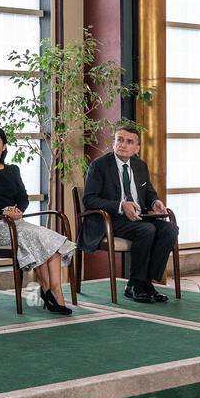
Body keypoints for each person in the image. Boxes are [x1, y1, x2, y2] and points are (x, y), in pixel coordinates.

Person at [0, 126, 76, 315]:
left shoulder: (12, 170)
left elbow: (23, 198)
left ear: (4, 146)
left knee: (53, 238)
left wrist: (17, 211)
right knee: (36, 237)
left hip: (16, 224)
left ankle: (54, 290)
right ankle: (49, 291)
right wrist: (4, 212)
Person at [80, 124, 178, 304]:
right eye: (120, 140)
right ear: (114, 142)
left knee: (170, 229)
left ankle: (145, 282)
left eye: (129, 142)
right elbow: (89, 199)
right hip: (110, 219)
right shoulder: (99, 165)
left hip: (138, 218)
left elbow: (149, 193)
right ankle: (136, 285)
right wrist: (120, 205)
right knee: (146, 230)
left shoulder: (140, 166)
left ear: (137, 148)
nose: (123, 145)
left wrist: (155, 202)